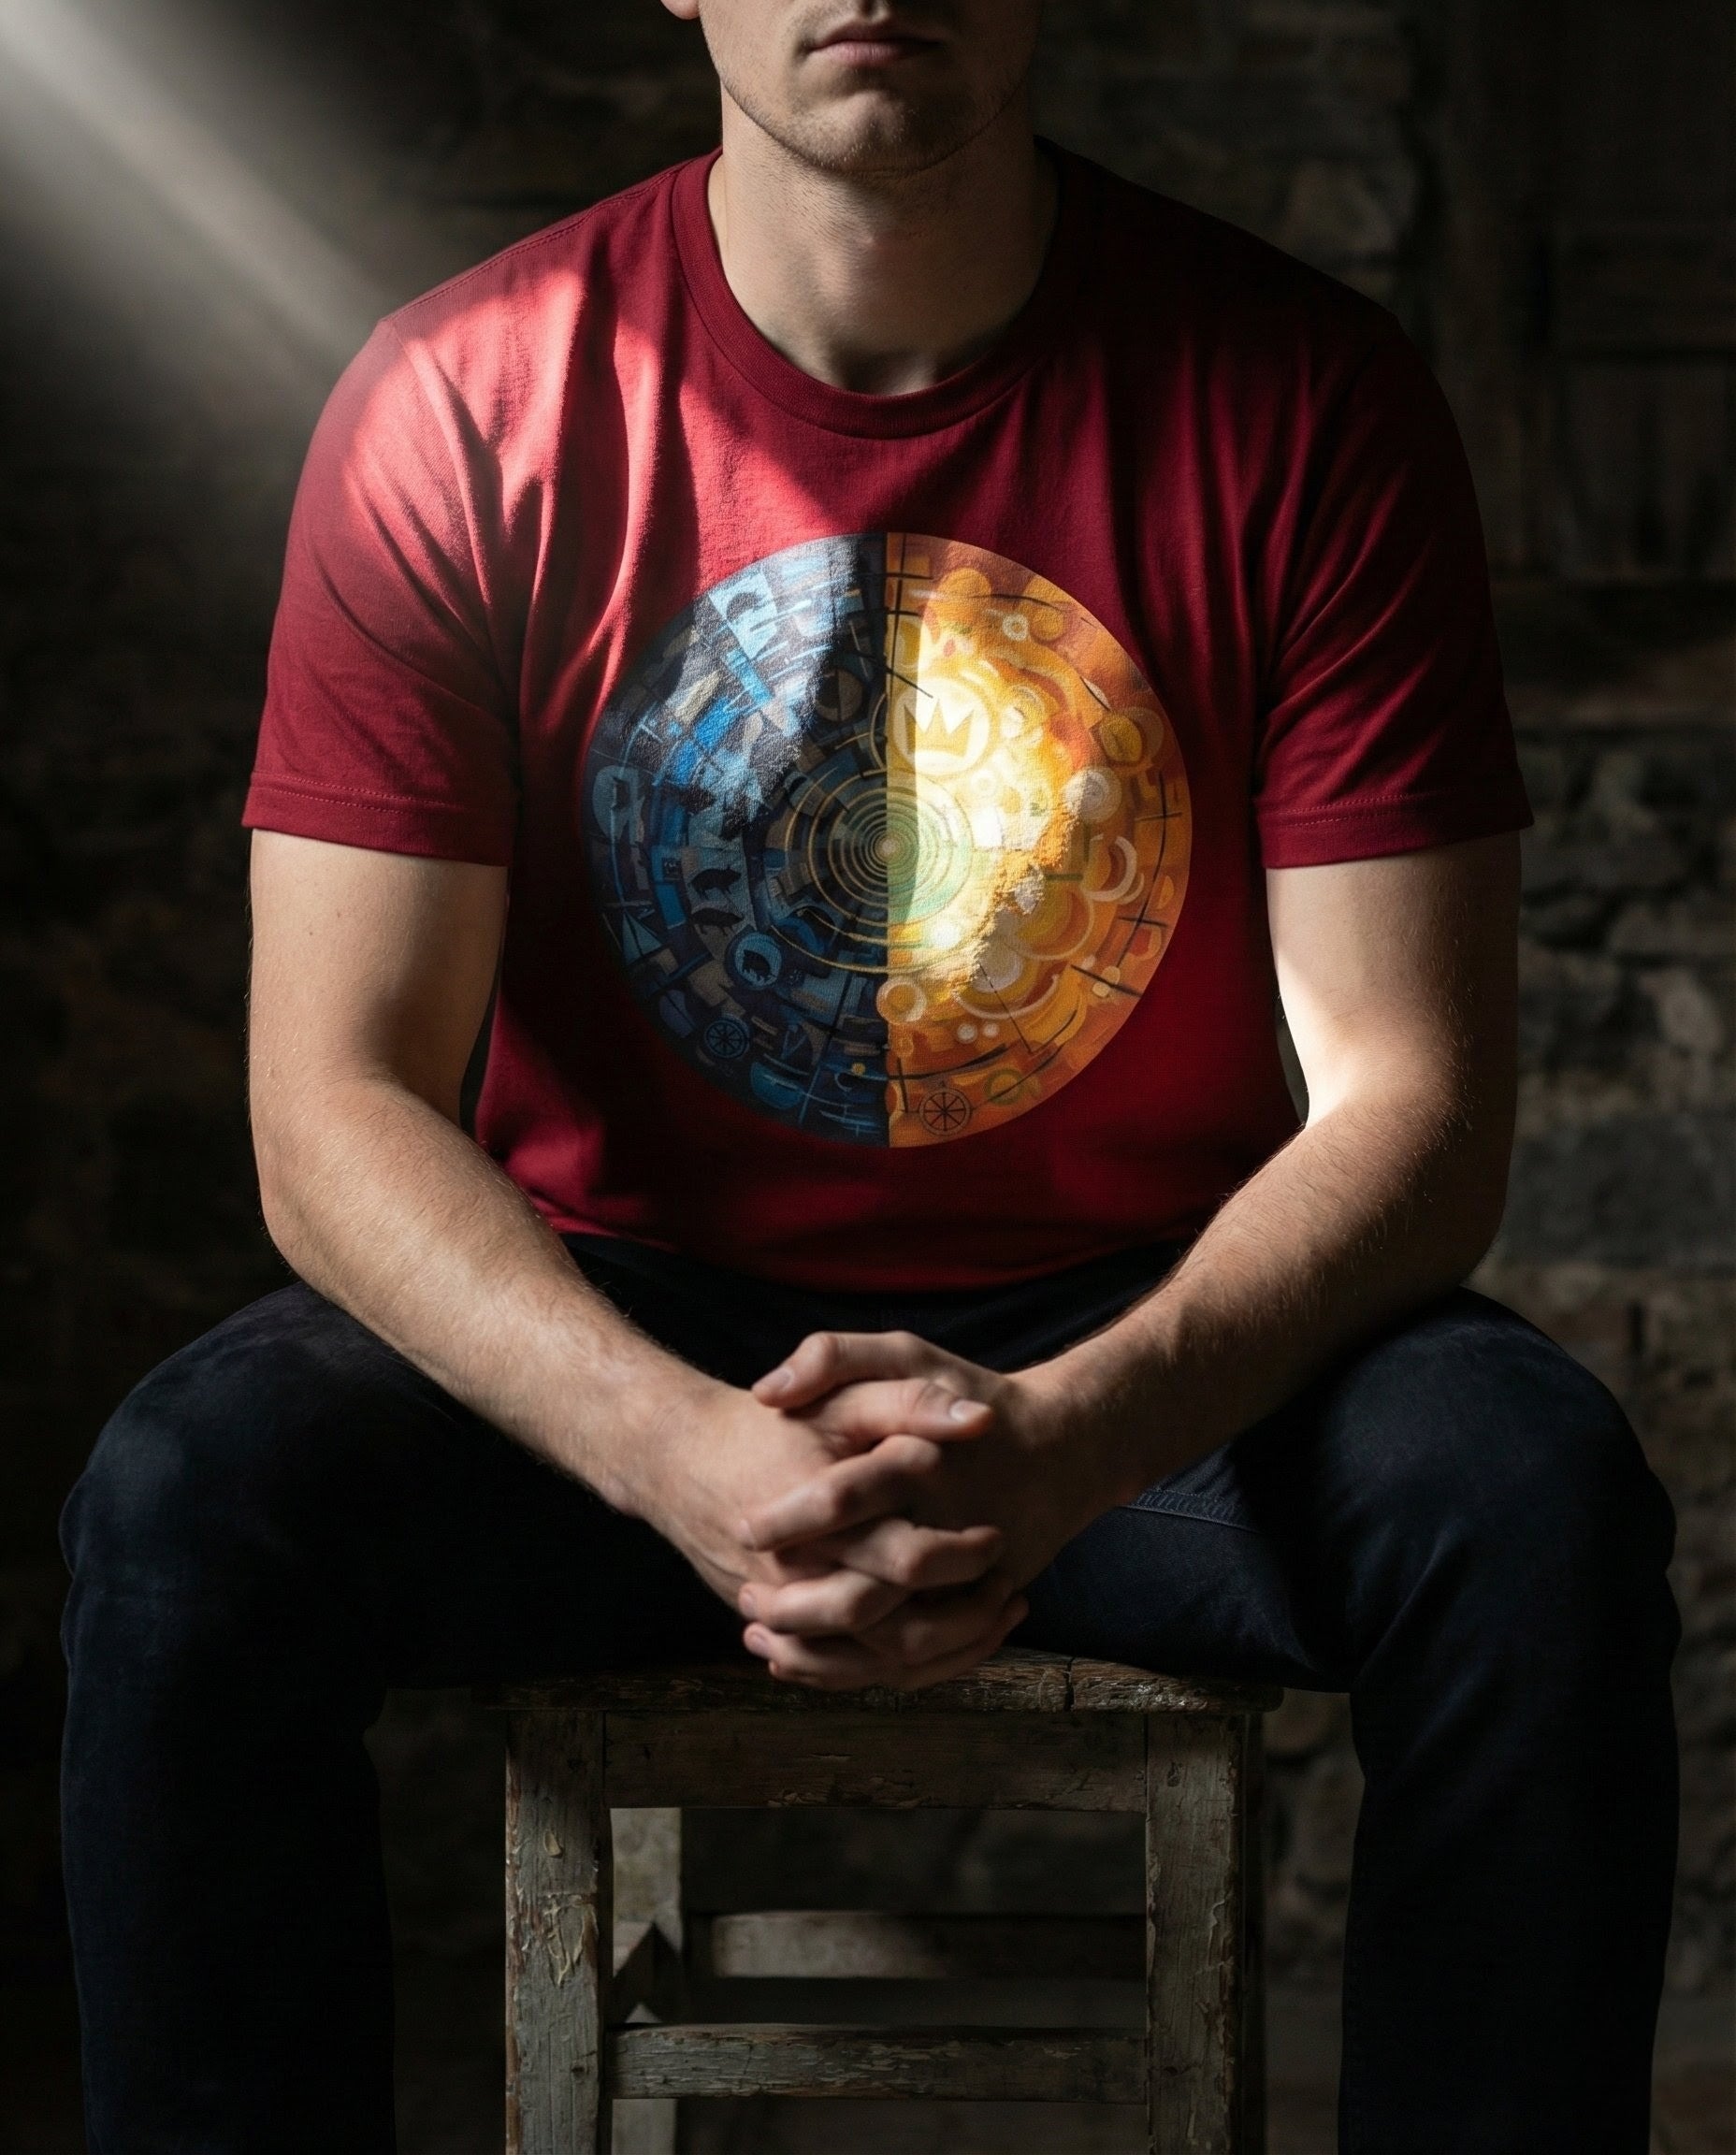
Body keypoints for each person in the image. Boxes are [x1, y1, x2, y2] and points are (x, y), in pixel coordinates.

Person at [59, 4, 1679, 2149]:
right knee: (184, 1507)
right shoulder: (462, 399)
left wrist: (1073, 1436)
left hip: (1144, 1348)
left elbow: (1413, 1106)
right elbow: (328, 1104)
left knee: (1528, 1501)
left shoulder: (1304, 401)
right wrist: (670, 1450)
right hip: (615, 1330)